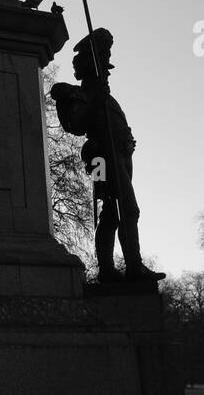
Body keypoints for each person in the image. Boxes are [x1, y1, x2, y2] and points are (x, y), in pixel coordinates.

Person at [51, 28, 163, 283]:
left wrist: (127, 139)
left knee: (113, 212)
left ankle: (116, 269)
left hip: (120, 157)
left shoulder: (107, 99)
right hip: (102, 159)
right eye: (102, 65)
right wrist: (98, 100)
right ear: (90, 69)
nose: (106, 73)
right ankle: (131, 267)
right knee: (127, 210)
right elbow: (77, 125)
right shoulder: (80, 95)